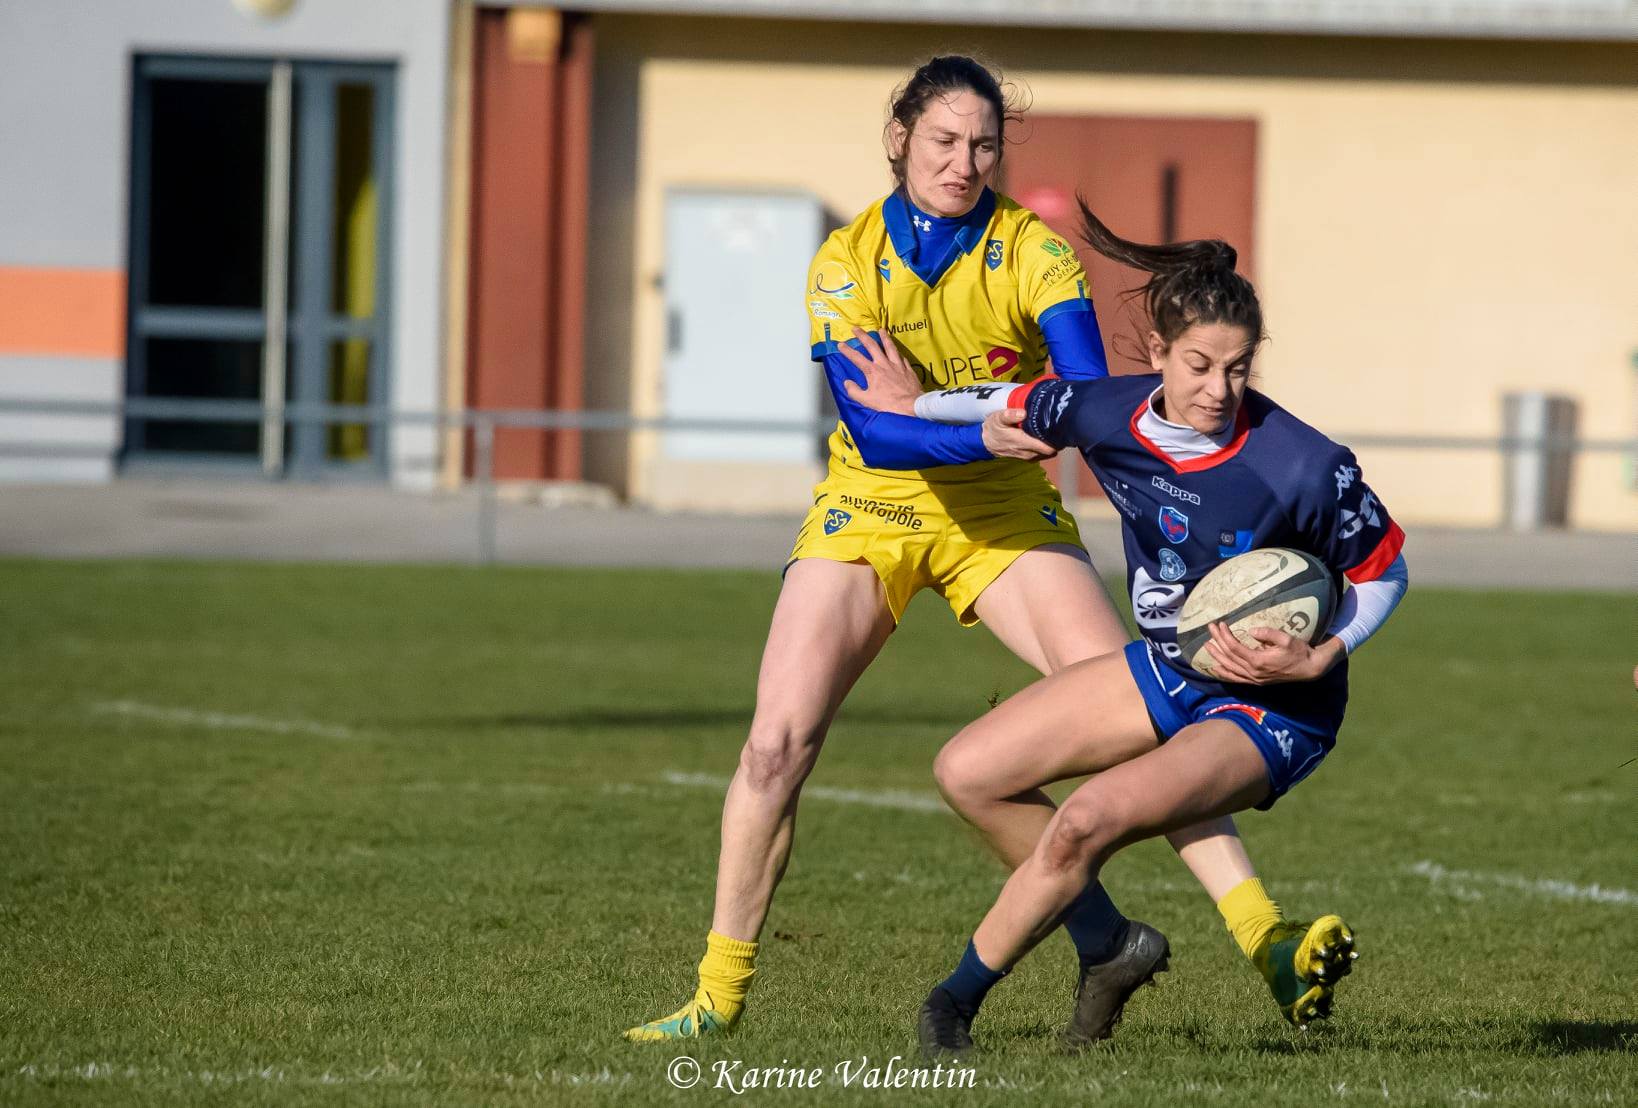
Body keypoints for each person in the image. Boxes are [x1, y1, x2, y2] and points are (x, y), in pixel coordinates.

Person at [625, 56, 1300, 1047]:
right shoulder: (847, 262)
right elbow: (880, 430)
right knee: (775, 743)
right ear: (898, 137)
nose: (964, 161)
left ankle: (1265, 935)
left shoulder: (1034, 253)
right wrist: (984, 422)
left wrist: (985, 421)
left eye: (983, 143)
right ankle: (718, 997)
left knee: (1144, 711)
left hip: (1001, 515)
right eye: (944, 140)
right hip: (871, 505)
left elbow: (1080, 398)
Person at [838, 198, 1409, 1054]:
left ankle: (951, 1006)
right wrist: (917, 405)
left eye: (1240, 368)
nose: (1221, 390)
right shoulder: (1108, 411)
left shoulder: (1304, 464)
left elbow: (1385, 571)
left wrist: (1321, 653)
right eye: (1199, 365)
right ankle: (1112, 949)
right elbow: (1010, 397)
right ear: (1156, 355)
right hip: (1172, 668)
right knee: (968, 772)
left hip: (1272, 709)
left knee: (1086, 818)